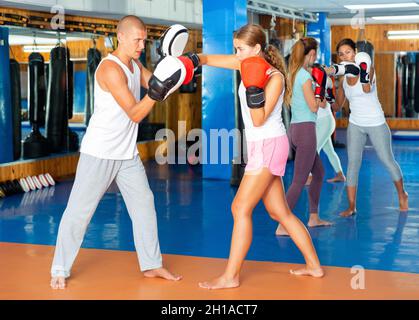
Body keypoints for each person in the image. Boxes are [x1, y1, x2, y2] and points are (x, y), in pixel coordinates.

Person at [50, 16, 190, 289]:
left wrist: (180, 70)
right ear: (121, 37)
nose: (141, 44)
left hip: (126, 154)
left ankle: (151, 264)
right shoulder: (110, 70)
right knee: (80, 212)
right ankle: (59, 267)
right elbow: (136, 112)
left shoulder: (135, 64)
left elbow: (159, 87)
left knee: (144, 205)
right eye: (137, 39)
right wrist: (158, 90)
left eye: (144, 39)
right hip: (100, 152)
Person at [197, 24, 324, 290]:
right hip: (260, 146)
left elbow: (257, 119)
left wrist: (253, 87)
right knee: (280, 212)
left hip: (268, 145)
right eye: (235, 49)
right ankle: (314, 266)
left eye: (240, 49)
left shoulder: (274, 76)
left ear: (256, 49)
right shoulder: (245, 62)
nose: (237, 54)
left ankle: (230, 276)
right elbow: (207, 59)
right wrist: (187, 61)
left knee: (239, 208)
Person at [325, 38, 408, 217]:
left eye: (348, 52)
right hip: (356, 123)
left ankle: (402, 194)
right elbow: (337, 106)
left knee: (387, 160)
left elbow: (366, 88)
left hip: (376, 122)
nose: (344, 56)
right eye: (341, 54)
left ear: (355, 52)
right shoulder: (343, 79)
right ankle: (352, 206)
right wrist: (326, 90)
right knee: (353, 165)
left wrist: (341, 72)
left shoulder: (366, 67)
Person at [276, 37, 333, 236]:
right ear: (310, 54)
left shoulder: (293, 74)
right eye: (315, 54)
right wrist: (319, 91)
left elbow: (321, 103)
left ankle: (314, 217)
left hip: (295, 129)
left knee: (319, 172)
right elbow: (314, 106)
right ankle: (283, 224)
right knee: (299, 180)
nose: (315, 58)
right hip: (306, 130)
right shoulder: (304, 76)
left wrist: (322, 93)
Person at [306, 77, 346, 185]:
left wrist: (312, 94)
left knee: (313, 149)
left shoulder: (322, 86)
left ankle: (310, 177)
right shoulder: (316, 85)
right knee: (329, 151)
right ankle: (340, 175)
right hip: (321, 122)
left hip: (325, 122)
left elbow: (323, 104)